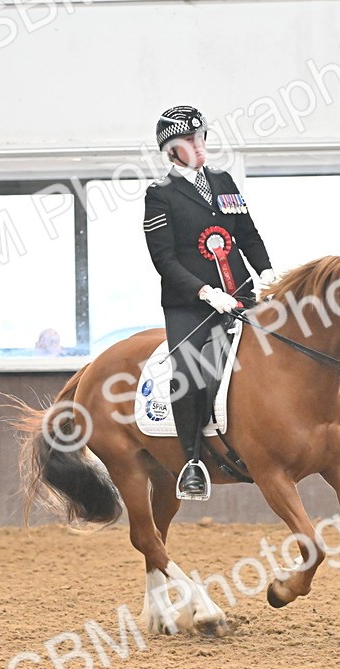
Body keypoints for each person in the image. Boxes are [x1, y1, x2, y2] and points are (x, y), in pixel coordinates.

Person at [143, 105, 275, 500]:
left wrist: (267, 271)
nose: (199, 145)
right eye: (188, 140)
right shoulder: (160, 196)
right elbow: (164, 260)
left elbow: (247, 234)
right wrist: (205, 292)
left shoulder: (224, 181)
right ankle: (191, 463)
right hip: (190, 305)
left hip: (241, 294)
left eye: (201, 137)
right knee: (187, 371)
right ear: (171, 151)